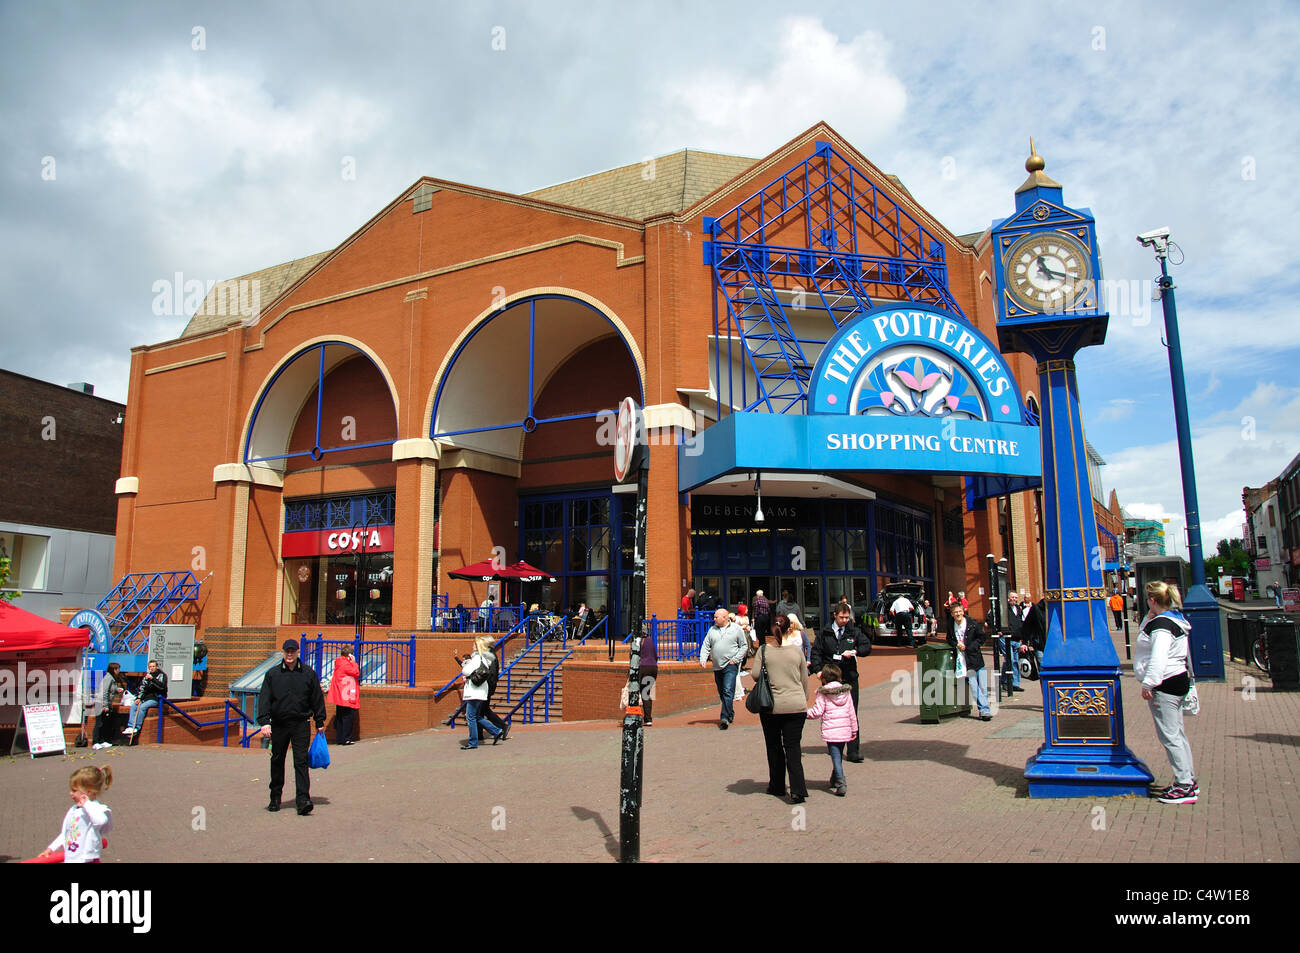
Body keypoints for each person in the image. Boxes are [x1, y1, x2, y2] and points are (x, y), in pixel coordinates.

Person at [1136, 581, 1197, 805]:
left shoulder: (1161, 626)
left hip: (1165, 683)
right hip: (1177, 679)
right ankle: (1188, 779)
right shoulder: (1172, 620)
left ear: (1152, 600)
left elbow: (1158, 657)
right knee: (1177, 734)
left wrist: (1148, 684)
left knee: (1170, 737)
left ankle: (1184, 786)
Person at [257, 638, 327, 815]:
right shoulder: (272, 674)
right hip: (279, 724)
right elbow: (264, 699)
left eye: (292, 651)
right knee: (277, 760)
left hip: (300, 723)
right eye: (287, 651)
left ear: (297, 653)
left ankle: (303, 799)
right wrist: (264, 722)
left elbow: (316, 699)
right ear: (283, 653)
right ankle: (275, 797)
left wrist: (320, 721)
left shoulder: (308, 674)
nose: (289, 654)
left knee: (301, 762)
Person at [751, 614, 811, 803]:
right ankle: (798, 789)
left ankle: (777, 785)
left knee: (774, 746)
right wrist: (804, 699)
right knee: (793, 747)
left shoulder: (764, 651)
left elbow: (754, 675)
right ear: (788, 629)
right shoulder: (796, 651)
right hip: (796, 705)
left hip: (772, 706)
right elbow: (804, 679)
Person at [810, 602, 872, 762]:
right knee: (831, 714)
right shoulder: (825, 632)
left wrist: (856, 651)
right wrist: (818, 670)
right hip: (830, 678)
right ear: (835, 616)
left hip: (849, 677)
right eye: (842, 617)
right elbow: (816, 652)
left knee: (851, 713)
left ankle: (853, 750)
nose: (845, 620)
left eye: (847, 617)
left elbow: (867, 646)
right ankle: (835, 746)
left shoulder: (854, 631)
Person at [37, 765, 113, 863]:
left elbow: (101, 821)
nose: (70, 793)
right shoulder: (74, 809)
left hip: (86, 859)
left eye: (74, 790)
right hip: (72, 858)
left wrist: (87, 804)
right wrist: (51, 849)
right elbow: (66, 833)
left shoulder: (95, 808)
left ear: (88, 792)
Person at [807, 661, 858, 797]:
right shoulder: (846, 692)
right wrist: (854, 729)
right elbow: (852, 712)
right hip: (845, 729)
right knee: (838, 755)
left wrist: (804, 713)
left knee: (835, 757)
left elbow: (817, 712)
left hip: (831, 729)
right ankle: (834, 778)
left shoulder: (822, 693)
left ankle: (841, 782)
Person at [699, 607, 748, 729]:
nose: (714, 619)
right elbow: (706, 645)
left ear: (725, 618)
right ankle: (730, 712)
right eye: (714, 617)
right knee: (722, 691)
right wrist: (703, 658)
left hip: (730, 665)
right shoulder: (712, 630)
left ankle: (724, 718)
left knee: (728, 690)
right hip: (717, 665)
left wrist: (735, 660)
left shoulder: (736, 629)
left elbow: (744, 646)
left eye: (716, 617)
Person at [947, 602, 991, 720]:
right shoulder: (951, 625)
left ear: (963, 611)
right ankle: (984, 710)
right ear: (952, 614)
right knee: (973, 685)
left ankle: (984, 709)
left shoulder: (972, 623)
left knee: (982, 687)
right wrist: (957, 645)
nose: (958, 614)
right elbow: (949, 639)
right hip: (963, 661)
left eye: (960, 611)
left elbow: (981, 637)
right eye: (955, 612)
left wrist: (971, 647)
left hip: (976, 658)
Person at [457, 636, 504, 749]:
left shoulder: (477, 658)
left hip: (475, 691)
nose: (472, 646)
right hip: (481, 690)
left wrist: (467, 664)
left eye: (474, 644)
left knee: (470, 716)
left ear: (478, 647)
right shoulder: (484, 658)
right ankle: (496, 731)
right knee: (476, 716)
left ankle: (473, 742)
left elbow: (466, 671)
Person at [123, 659, 166, 738]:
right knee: (133, 706)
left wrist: (152, 679)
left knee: (143, 707)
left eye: (153, 666)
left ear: (156, 667)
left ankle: (137, 727)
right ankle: (131, 726)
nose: (152, 668)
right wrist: (139, 698)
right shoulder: (147, 676)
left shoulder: (161, 675)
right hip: (146, 698)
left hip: (156, 698)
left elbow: (162, 687)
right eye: (150, 667)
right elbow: (142, 688)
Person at [327, 646, 361, 745]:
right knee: (348, 717)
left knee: (340, 716)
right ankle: (346, 738)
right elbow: (356, 672)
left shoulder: (339, 662)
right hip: (346, 695)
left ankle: (340, 738)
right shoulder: (346, 664)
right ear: (350, 655)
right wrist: (354, 662)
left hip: (340, 695)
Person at [93, 662, 126, 749]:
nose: (119, 671)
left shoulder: (111, 678)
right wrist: (106, 706)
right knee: (99, 723)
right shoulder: (109, 678)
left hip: (103, 703)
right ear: (114, 670)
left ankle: (102, 741)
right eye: (118, 669)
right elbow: (104, 692)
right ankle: (95, 742)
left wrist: (117, 690)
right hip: (101, 703)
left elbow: (110, 690)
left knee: (104, 723)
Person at [1004, 592, 1024, 693]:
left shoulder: (1018, 609)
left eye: (1016, 597)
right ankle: (1008, 682)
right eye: (1012, 597)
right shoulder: (1004, 608)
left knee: (1014, 661)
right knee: (1010, 660)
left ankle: (1015, 683)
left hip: (1017, 639)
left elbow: (1021, 623)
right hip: (1007, 638)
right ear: (1008, 598)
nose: (1014, 599)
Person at [638, 628, 658, 726]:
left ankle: (635, 716)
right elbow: (655, 656)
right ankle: (648, 719)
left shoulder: (638, 641)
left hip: (643, 668)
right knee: (646, 693)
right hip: (653, 668)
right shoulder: (650, 641)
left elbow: (633, 656)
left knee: (635, 691)